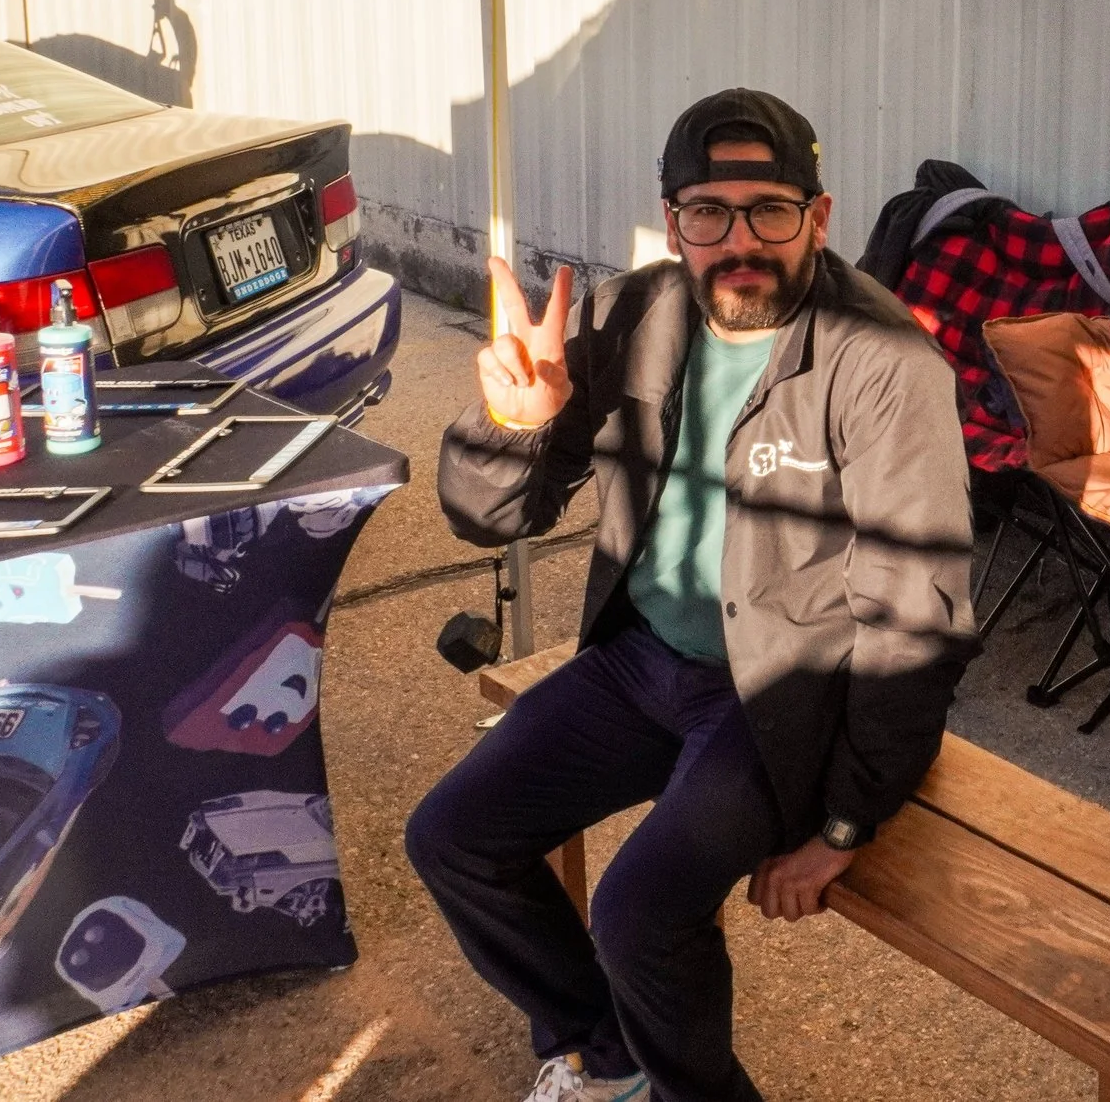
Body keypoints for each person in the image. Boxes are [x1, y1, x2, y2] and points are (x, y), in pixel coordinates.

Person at [407, 88, 978, 1102]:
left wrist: (845, 823)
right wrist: (513, 424)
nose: (739, 240)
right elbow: (490, 518)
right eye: (709, 212)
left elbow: (916, 612)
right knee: (453, 835)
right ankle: (607, 1054)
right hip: (639, 660)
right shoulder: (638, 312)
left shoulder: (883, 361)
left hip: (778, 698)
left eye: (770, 210)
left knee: (638, 913)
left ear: (819, 216)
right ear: (673, 222)